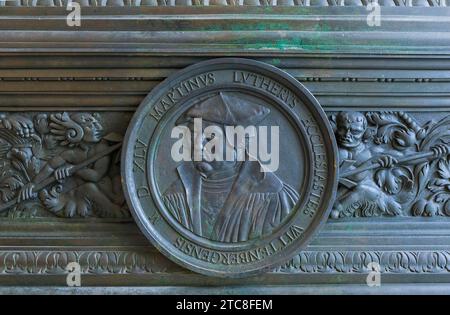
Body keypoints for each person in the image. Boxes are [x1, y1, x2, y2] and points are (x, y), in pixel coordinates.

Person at [163, 92, 299, 243]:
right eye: (193, 137)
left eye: (209, 138)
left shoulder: (274, 195)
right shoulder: (176, 194)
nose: (198, 146)